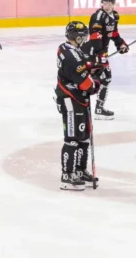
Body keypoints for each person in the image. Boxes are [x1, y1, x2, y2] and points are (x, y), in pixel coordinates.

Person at [55, 20, 97, 191]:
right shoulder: (71, 55)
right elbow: (86, 83)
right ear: (76, 37)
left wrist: (90, 65)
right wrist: (95, 84)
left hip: (78, 98)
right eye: (82, 36)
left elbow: (82, 65)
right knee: (72, 139)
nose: (84, 38)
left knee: (83, 136)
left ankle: (79, 171)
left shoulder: (68, 48)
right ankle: (67, 175)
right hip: (70, 98)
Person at [84, 0, 129, 120]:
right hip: (91, 53)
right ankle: (78, 104)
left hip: (101, 53)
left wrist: (121, 44)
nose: (106, 5)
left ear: (113, 3)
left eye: (109, 3)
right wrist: (100, 54)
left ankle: (99, 109)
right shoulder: (98, 16)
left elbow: (113, 33)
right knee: (86, 79)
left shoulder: (115, 16)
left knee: (106, 78)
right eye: (104, 2)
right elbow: (95, 37)